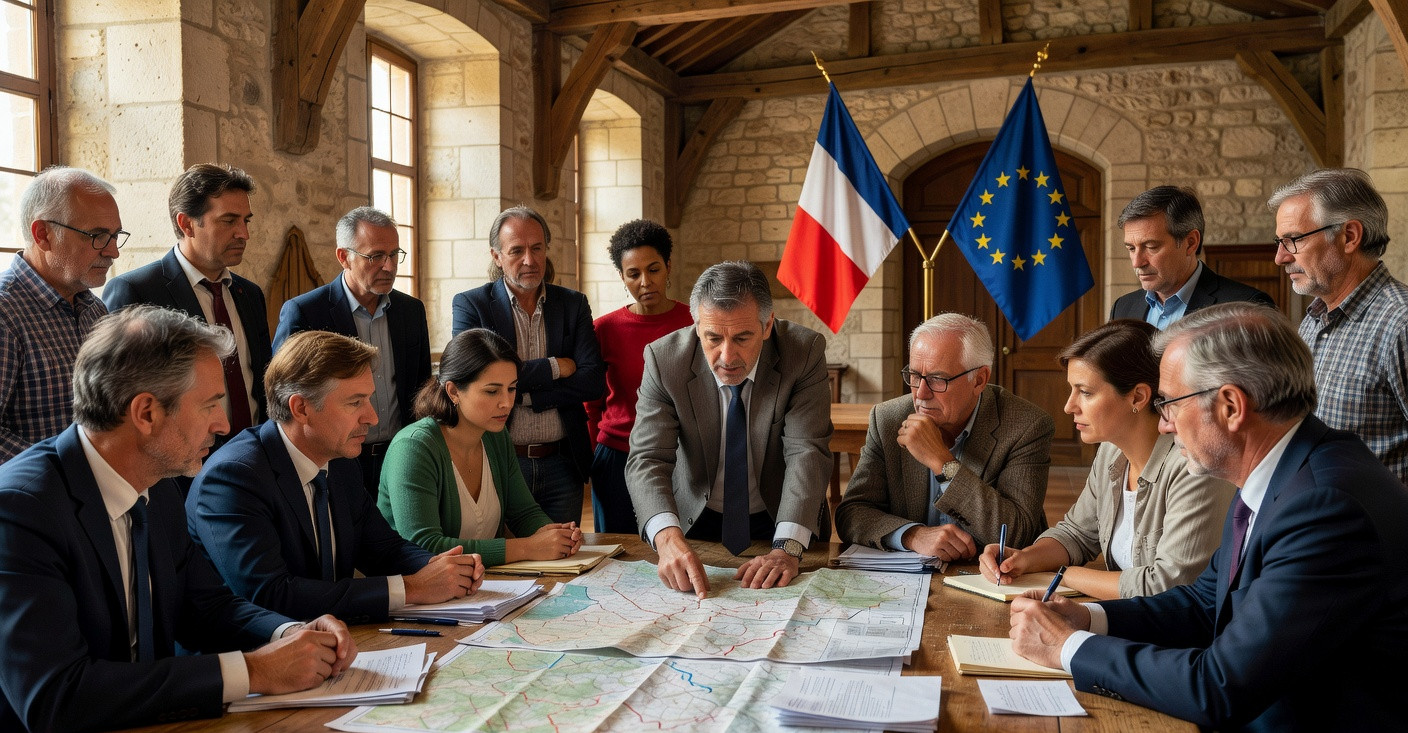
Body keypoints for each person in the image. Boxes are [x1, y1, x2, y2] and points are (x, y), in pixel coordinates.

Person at [1008, 302, 1408, 731]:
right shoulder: (1278, 468)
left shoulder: (1324, 507)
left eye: (1170, 404)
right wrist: (1089, 619)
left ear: (1231, 407)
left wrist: (1069, 647)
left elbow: (1219, 686)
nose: (1163, 425)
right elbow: (1204, 605)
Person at [0, 305, 356, 731]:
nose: (223, 425)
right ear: (146, 413)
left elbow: (205, 606)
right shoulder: (21, 509)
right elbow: (56, 696)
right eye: (210, 405)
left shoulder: (158, 483)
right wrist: (254, 671)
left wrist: (290, 634)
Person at [187, 330, 484, 625]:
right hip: (254, 657)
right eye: (355, 403)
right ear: (301, 408)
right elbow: (271, 595)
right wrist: (413, 587)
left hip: (335, 640)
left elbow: (383, 549)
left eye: (369, 399)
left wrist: (442, 568)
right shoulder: (234, 477)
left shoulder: (339, 460)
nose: (372, 417)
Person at [977, 319, 1235, 599]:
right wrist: (1024, 559)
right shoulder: (1111, 451)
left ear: (1138, 397)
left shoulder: (1193, 467)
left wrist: (1060, 575)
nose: (1068, 406)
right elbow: (1076, 533)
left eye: (1085, 392)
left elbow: (1164, 586)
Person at [626, 260, 831, 596]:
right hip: (694, 520)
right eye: (712, 337)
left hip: (781, 515)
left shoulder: (802, 352)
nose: (726, 356)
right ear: (696, 326)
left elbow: (806, 451)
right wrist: (666, 539)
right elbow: (648, 458)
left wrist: (787, 549)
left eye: (742, 337)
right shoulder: (664, 360)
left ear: (767, 325)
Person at [836, 313, 1053, 561]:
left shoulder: (1027, 425)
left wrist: (942, 462)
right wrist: (913, 536)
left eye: (938, 379)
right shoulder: (888, 419)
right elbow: (851, 514)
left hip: (990, 578)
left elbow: (1016, 535)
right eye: (915, 376)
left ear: (979, 380)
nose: (921, 393)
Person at [450, 206, 605, 524]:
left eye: (537, 248)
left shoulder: (573, 304)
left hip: (564, 463)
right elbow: (472, 375)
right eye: (516, 251)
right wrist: (554, 368)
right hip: (500, 462)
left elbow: (592, 381)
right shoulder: (472, 305)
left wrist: (528, 396)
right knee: (505, 566)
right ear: (496, 256)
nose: (530, 260)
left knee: (565, 562)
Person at [380, 328, 583, 568]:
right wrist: (528, 547)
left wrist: (552, 534)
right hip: (417, 595)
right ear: (453, 391)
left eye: (512, 388)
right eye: (492, 391)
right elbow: (424, 546)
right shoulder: (413, 447)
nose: (506, 403)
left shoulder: (496, 436)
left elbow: (524, 513)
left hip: (483, 588)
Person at [105, 163, 273, 438]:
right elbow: (123, 397)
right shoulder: (136, 291)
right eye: (229, 221)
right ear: (186, 224)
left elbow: (261, 382)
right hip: (180, 465)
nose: (244, 234)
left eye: (246, 220)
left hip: (254, 456)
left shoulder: (250, 294)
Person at [273, 206, 432, 495]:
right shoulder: (307, 312)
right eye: (375, 256)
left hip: (402, 455)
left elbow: (421, 388)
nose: (389, 266)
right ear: (344, 257)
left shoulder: (411, 311)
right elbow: (284, 399)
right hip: (336, 460)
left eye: (395, 254)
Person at [1268, 167, 1408, 485]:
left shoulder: (1400, 325)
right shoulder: (1312, 321)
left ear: (1349, 237)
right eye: (1279, 242)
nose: (1279, 258)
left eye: (1292, 240)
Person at [0, 167, 122, 463]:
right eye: (97, 236)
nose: (113, 251)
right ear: (42, 235)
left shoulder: (95, 308)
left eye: (116, 236)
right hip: (35, 501)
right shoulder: (6, 313)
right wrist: (67, 471)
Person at [585, 219, 694, 534]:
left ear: (669, 266)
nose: (645, 281)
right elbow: (591, 403)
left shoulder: (695, 323)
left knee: (681, 550)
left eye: (654, 269)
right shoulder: (603, 329)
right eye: (633, 274)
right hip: (616, 457)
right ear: (622, 276)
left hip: (679, 458)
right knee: (617, 557)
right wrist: (595, 457)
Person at [1110, 186, 1274, 327]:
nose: (1137, 262)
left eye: (1151, 246)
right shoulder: (1123, 307)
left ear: (1190, 243)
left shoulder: (1247, 307)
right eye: (1131, 248)